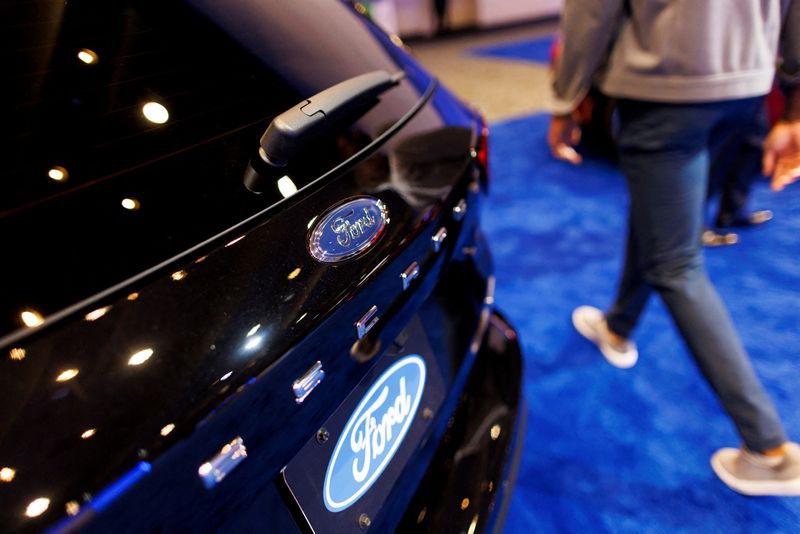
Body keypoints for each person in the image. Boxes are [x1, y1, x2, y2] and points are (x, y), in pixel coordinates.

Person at [548, 0, 800, 495]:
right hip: (747, 87)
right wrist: (794, 101)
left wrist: (565, 99)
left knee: (677, 262)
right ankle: (617, 326)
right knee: (665, 226)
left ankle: (770, 452)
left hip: (664, 92)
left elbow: (590, 12)